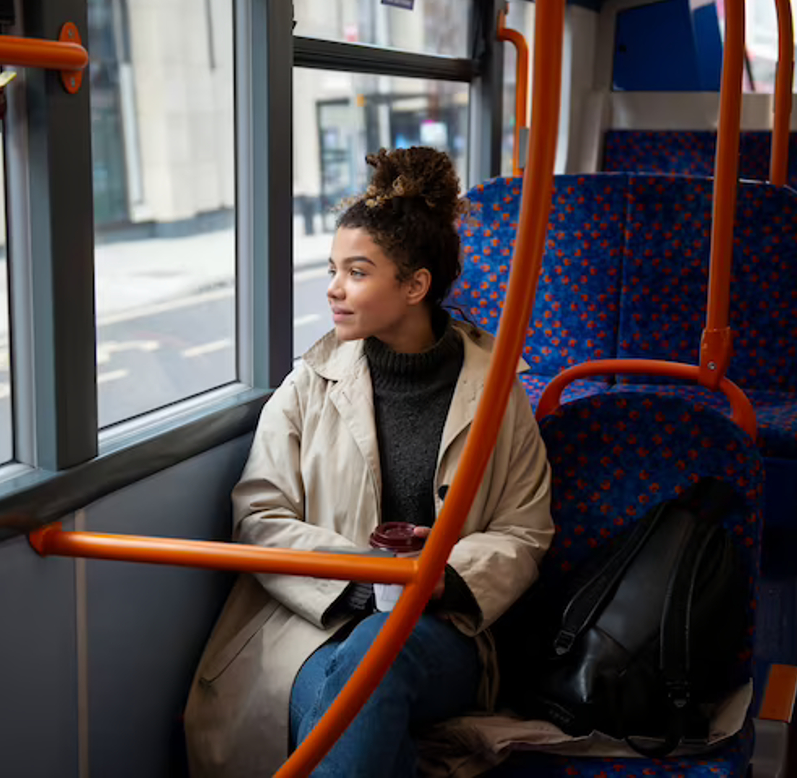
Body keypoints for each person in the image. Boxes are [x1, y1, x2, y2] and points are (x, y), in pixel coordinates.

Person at [184, 147, 553, 777]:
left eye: (357, 272)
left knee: (378, 658)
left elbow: (524, 527)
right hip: (313, 625)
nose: (333, 289)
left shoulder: (496, 393)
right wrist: (357, 582)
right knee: (354, 700)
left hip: (441, 631)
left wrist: (439, 579)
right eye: (333, 269)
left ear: (415, 286)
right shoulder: (309, 384)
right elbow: (260, 514)